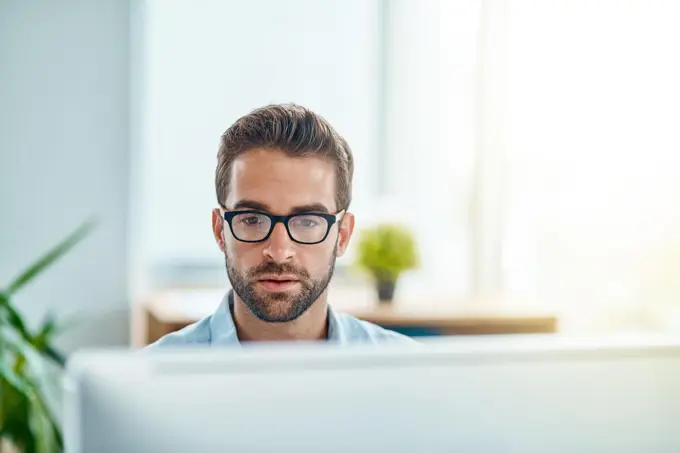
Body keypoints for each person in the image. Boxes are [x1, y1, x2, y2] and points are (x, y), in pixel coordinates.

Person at [149, 104, 412, 347]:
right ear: (220, 230)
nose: (278, 251)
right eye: (252, 219)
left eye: (308, 221)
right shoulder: (151, 378)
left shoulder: (406, 371)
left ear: (342, 235)